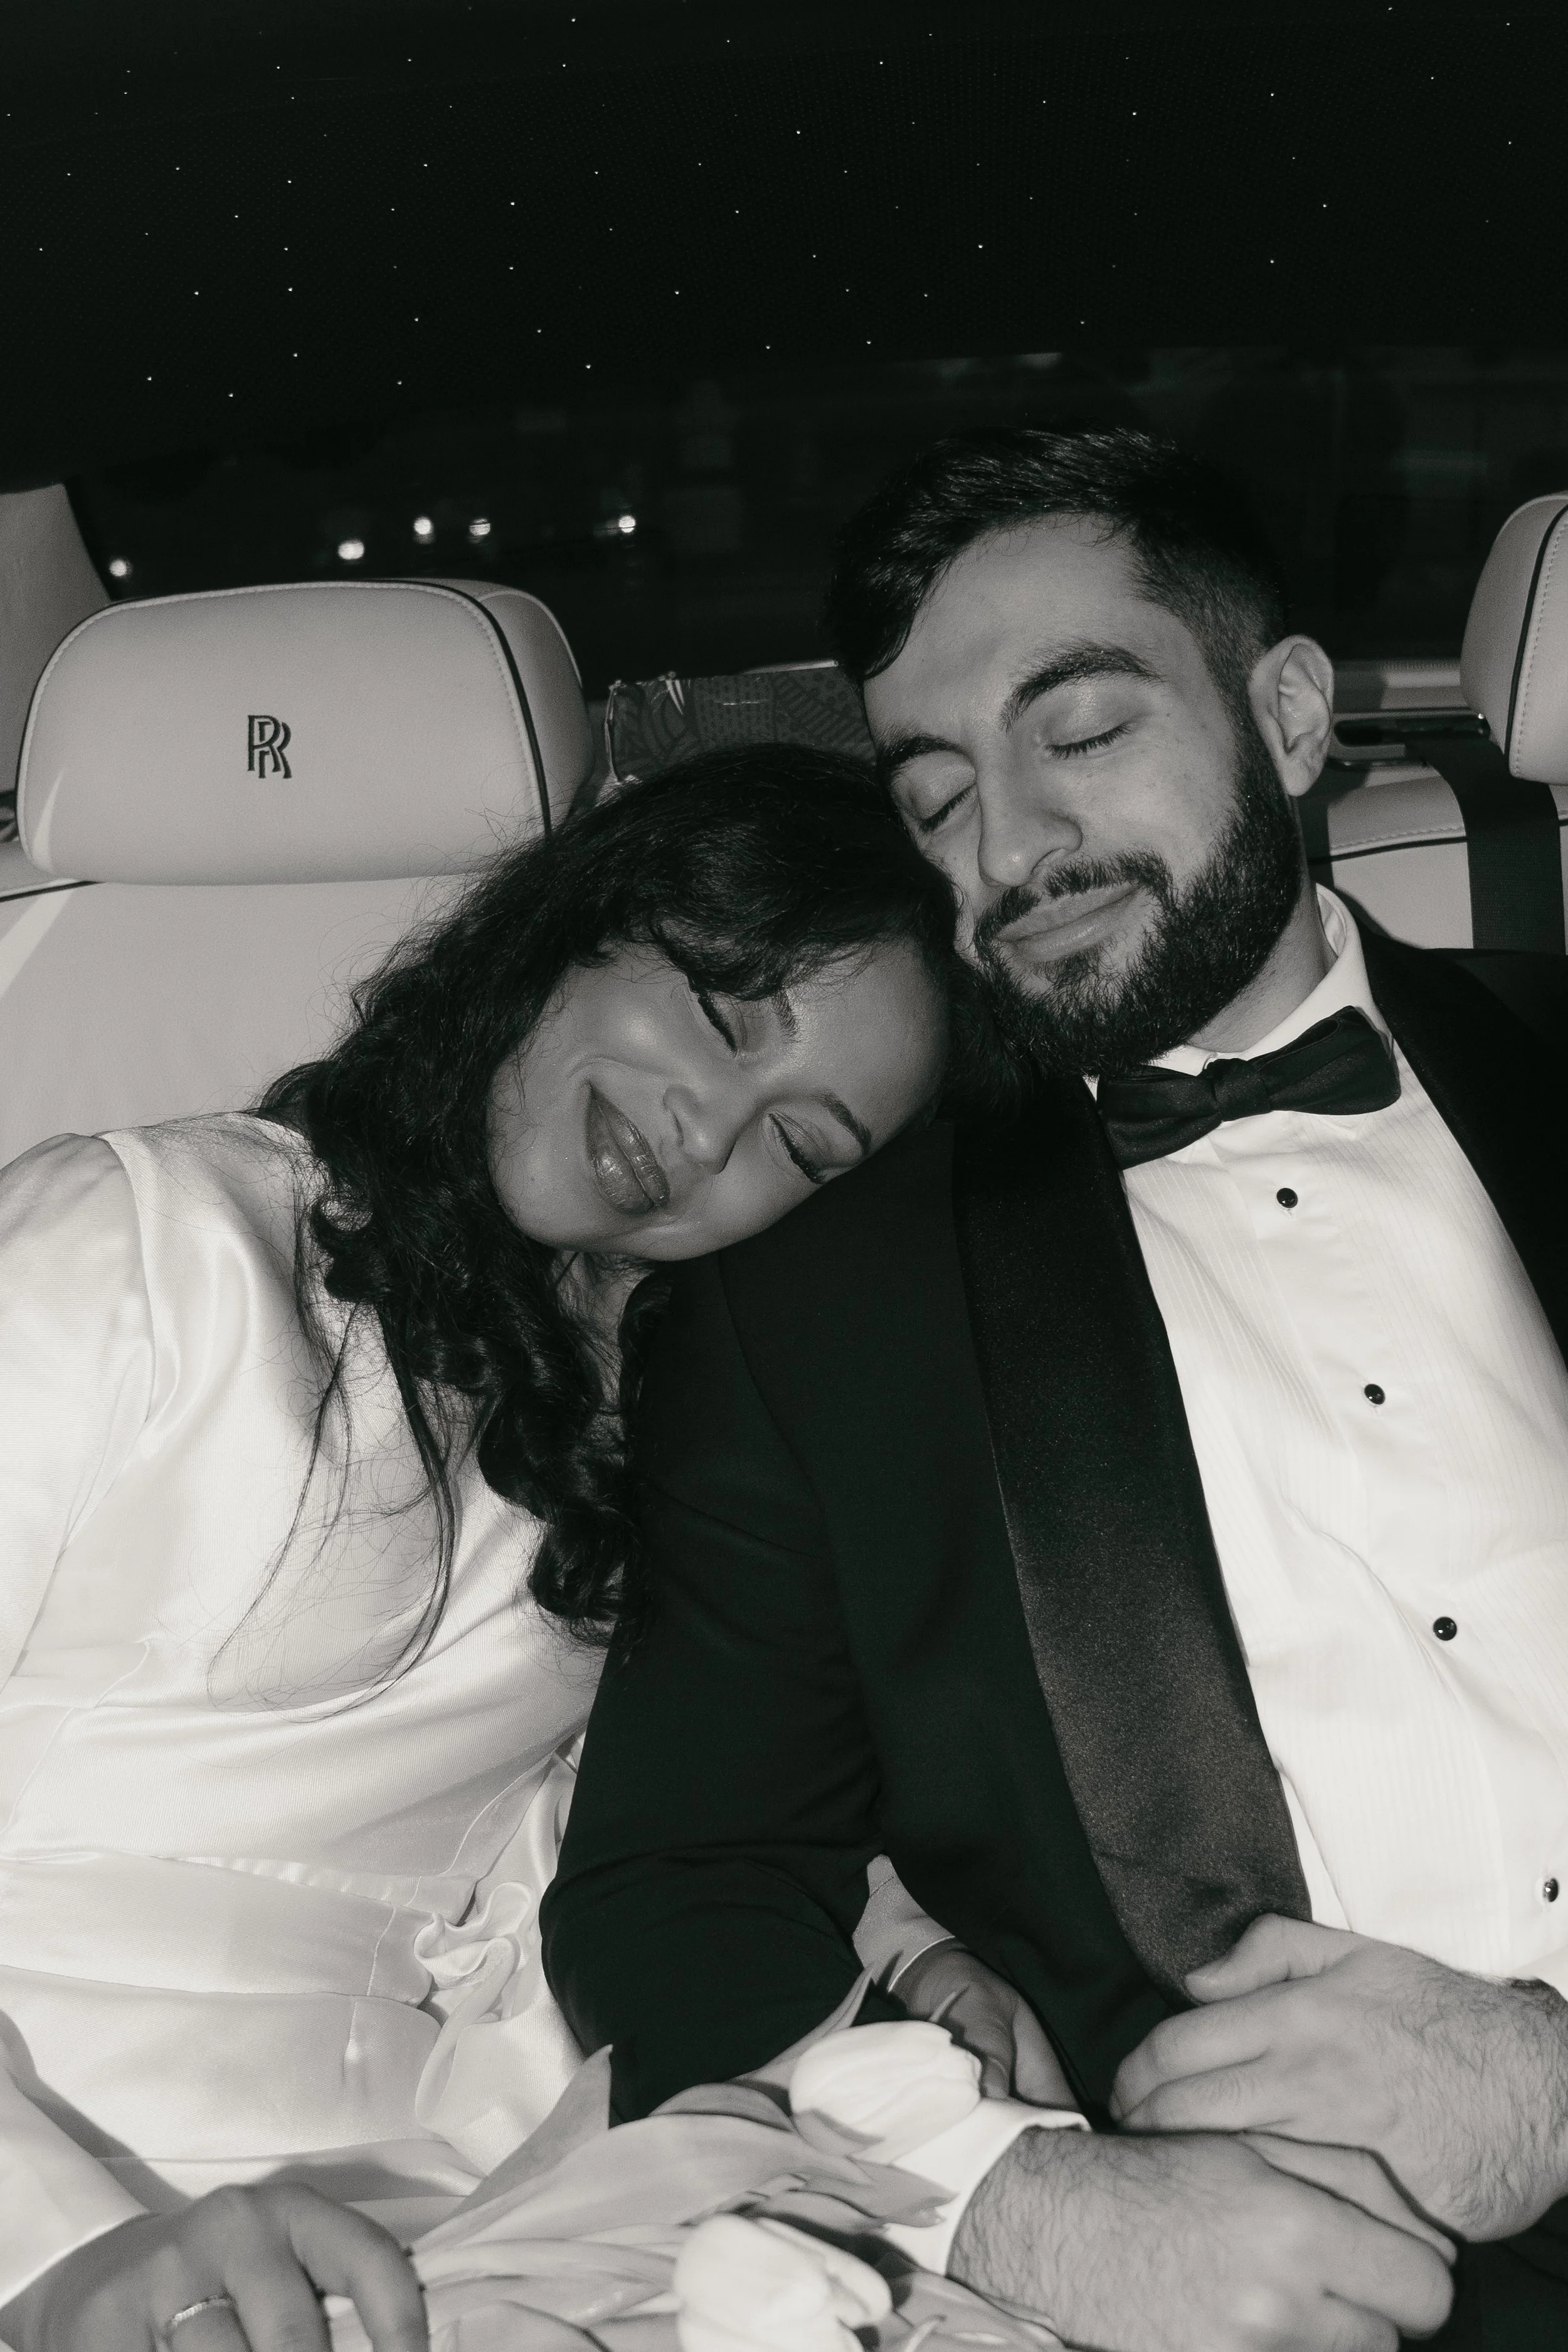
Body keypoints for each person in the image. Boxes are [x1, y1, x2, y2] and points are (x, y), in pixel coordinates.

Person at [541, 428, 1568, 2352]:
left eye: (1078, 730)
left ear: (1285, 714)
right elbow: (671, 1886)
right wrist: (1013, 2200)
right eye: (935, 797)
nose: (1007, 849)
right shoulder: (814, 1305)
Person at [0, 746, 1034, 2352]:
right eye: (725, 1015)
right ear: (585, 921)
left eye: (802, 1147)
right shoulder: (148, 1246)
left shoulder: (670, 1439)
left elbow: (645, 1815)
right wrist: (51, 2253)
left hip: (452, 2219)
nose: (706, 1133)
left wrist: (898, 1949)